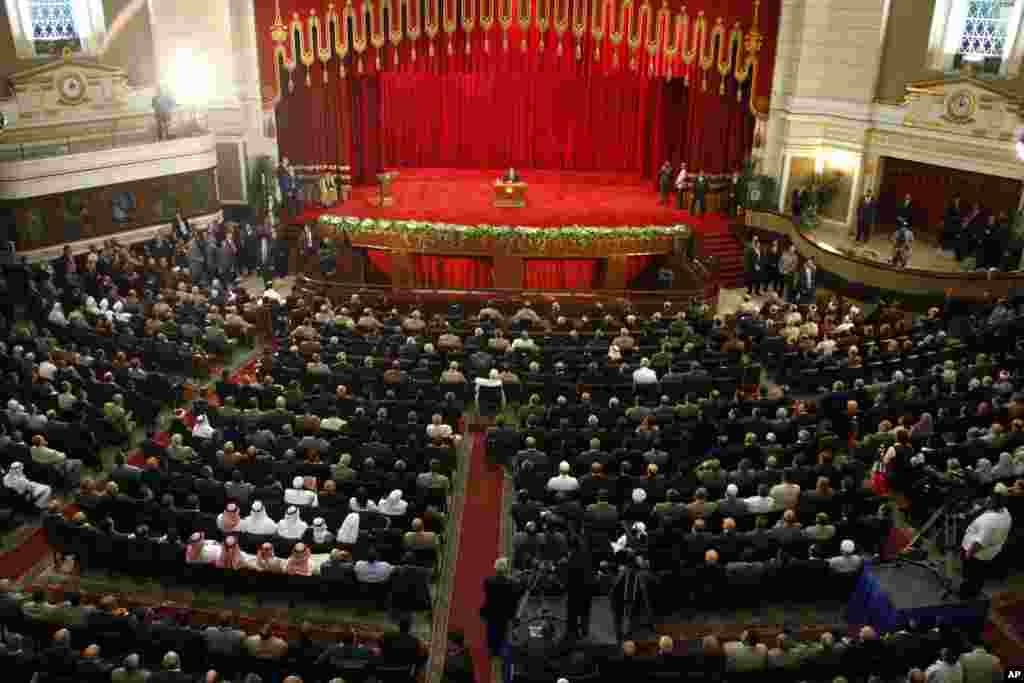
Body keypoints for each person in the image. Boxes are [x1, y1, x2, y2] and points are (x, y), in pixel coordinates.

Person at [959, 487, 1013, 599]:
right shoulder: (1006, 513)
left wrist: (968, 554)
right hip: (988, 554)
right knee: (979, 576)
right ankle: (974, 592)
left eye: (990, 499)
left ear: (994, 502)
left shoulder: (989, 521)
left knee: (970, 577)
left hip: (975, 554)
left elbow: (980, 543)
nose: (987, 500)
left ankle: (965, 597)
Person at [481, 557, 524, 658]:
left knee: (491, 630)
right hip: (504, 612)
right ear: (505, 570)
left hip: (491, 611)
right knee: (502, 631)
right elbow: (516, 595)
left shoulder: (488, 581)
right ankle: (499, 650)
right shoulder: (511, 583)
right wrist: (515, 579)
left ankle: (491, 650)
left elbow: (487, 591)